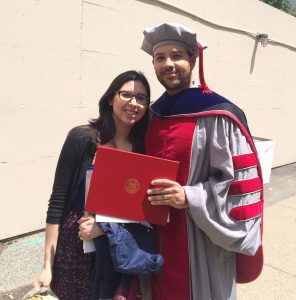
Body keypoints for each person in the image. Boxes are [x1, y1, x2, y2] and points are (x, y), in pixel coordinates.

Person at [141, 22, 264, 300]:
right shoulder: (151, 115)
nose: (168, 64)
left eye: (177, 56)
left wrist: (190, 196)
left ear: (193, 60)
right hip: (155, 234)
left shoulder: (220, 114)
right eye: (160, 58)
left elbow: (239, 184)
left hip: (202, 236)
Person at [34, 70, 151, 300]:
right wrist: (47, 266)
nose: (133, 103)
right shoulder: (82, 139)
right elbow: (57, 202)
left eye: (141, 98)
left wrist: (104, 228)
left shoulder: (143, 149)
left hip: (118, 248)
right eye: (126, 94)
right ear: (110, 98)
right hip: (75, 246)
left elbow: (141, 213)